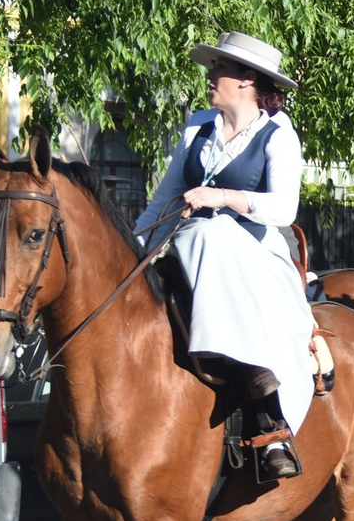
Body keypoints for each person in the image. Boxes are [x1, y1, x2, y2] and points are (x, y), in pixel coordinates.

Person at [133, 31, 312, 478]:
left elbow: (283, 209)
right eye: (212, 67)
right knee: (192, 244)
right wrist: (132, 250)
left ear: (247, 80)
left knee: (210, 237)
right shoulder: (197, 127)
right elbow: (164, 202)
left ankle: (267, 411)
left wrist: (223, 197)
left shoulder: (278, 135)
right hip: (193, 244)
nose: (209, 75)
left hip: (255, 252)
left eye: (219, 68)